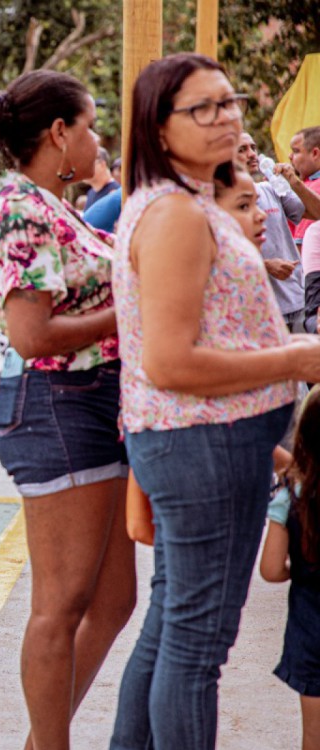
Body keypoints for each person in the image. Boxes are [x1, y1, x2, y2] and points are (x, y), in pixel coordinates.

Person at [109, 53, 320, 750]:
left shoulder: (189, 202)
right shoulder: (173, 214)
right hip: (199, 443)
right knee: (196, 647)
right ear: (158, 127)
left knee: (174, 624)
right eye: (202, 108)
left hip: (209, 439)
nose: (225, 117)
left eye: (228, 102)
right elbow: (167, 361)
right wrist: (294, 358)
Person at [0, 69, 134, 749]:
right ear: (59, 132)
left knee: (113, 600)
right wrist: (124, 312)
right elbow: (31, 335)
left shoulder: (49, 203)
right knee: (61, 605)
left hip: (90, 401)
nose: (98, 142)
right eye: (91, 126)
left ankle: (43, 741)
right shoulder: (19, 208)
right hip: (56, 404)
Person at [261, 388, 320, 750]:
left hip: (311, 633)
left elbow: (270, 568)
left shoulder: (290, 496)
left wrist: (296, 572)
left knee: (314, 736)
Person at [236, 132, 320, 331]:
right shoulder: (218, 200)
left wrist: (294, 181)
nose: (252, 154)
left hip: (297, 302)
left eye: (253, 148)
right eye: (242, 149)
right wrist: (265, 265)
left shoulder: (270, 188)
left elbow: (317, 213)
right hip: (258, 311)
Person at [291, 126, 320, 246]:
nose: (290, 156)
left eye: (296, 151)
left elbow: (301, 244)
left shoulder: (314, 186)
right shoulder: (307, 184)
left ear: (315, 153)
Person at [83, 147, 121, 211]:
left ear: (102, 164)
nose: (83, 169)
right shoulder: (91, 193)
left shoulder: (116, 193)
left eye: (87, 164)